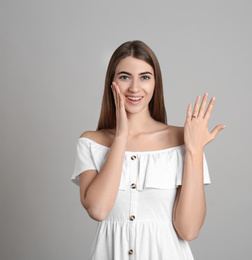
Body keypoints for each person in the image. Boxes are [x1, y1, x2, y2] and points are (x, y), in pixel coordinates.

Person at [71, 40, 226, 259]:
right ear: (111, 83)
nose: (134, 88)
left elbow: (189, 230)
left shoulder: (183, 140)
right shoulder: (90, 143)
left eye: (145, 77)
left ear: (155, 84)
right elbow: (98, 210)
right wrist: (121, 136)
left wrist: (194, 151)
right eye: (125, 77)